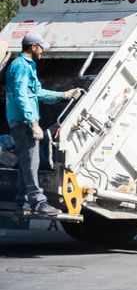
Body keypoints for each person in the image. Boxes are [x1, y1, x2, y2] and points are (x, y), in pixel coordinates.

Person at [5, 32, 81, 216]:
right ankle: (38, 202)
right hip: (23, 121)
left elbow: (36, 92)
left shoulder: (26, 66)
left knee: (28, 162)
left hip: (22, 120)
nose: (43, 50)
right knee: (31, 162)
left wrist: (63, 95)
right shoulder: (21, 66)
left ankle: (23, 201)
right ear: (33, 47)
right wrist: (32, 122)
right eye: (41, 47)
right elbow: (22, 96)